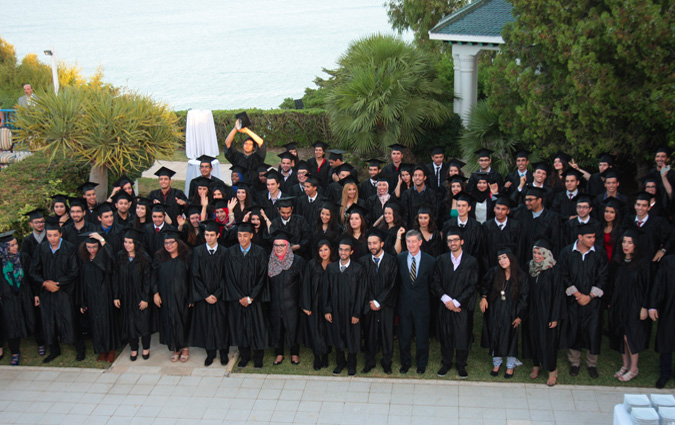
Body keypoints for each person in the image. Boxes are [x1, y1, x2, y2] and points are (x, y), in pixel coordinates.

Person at [29, 216, 82, 363]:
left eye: (55, 235)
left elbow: (74, 271)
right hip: (47, 292)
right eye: (49, 235)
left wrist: (57, 284)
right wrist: (45, 283)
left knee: (70, 320)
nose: (52, 238)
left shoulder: (69, 248)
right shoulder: (41, 248)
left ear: (61, 234)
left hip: (65, 292)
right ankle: (54, 350)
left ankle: (80, 348)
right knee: (49, 322)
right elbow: (33, 271)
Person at [559, 224, 608, 379]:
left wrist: (590, 296)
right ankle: (575, 362)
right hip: (574, 300)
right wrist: (578, 295)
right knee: (574, 329)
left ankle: (592, 363)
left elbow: (604, 276)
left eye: (594, 237)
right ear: (579, 237)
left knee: (593, 331)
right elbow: (563, 274)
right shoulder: (567, 252)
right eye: (589, 237)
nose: (593, 240)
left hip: (593, 302)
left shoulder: (599, 253)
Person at [431, 228, 479, 379]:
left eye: (455, 240)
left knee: (462, 335)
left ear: (462, 241)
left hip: (462, 307)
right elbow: (435, 282)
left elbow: (472, 285)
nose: (453, 243)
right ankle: (446, 363)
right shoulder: (441, 260)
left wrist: (457, 302)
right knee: (446, 335)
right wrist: (446, 300)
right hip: (445, 304)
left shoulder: (471, 261)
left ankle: (461, 365)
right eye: (450, 240)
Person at [608, 229, 650, 382]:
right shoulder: (618, 261)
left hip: (635, 304)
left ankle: (634, 368)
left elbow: (647, 286)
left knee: (630, 337)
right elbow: (613, 283)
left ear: (635, 245)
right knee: (620, 334)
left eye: (630, 242)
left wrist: (645, 306)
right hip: (620, 303)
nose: (626, 245)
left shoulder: (642, 264)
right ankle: (625, 365)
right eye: (624, 242)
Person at [225, 222, 269, 368]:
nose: (242, 238)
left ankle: (258, 357)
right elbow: (228, 277)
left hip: (254, 299)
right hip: (238, 299)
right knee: (240, 327)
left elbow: (262, 277)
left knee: (257, 327)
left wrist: (251, 297)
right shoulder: (231, 253)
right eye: (239, 235)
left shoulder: (260, 252)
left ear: (251, 235)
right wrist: (240, 297)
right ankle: (244, 356)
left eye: (245, 235)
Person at [480, 247, 528, 378]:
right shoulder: (494, 272)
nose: (502, 261)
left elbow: (524, 298)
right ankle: (497, 363)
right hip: (496, 309)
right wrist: (483, 298)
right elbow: (485, 285)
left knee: (511, 336)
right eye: (499, 259)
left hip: (512, 311)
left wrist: (519, 316)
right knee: (496, 334)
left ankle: (510, 366)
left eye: (504, 258)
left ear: (511, 258)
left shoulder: (521, 276)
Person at [523, 237, 564, 386]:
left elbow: (558, 294)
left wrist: (555, 316)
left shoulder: (553, 269)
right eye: (534, 252)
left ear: (546, 254)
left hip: (548, 311)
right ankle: (536, 365)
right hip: (532, 309)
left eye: (540, 253)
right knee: (533, 336)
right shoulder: (530, 266)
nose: (537, 256)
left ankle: (552, 370)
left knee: (548, 340)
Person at [322, 237, 366, 375]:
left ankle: (352, 364)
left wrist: (357, 313)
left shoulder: (358, 269)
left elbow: (361, 292)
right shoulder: (331, 268)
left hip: (351, 310)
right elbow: (326, 291)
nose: (343, 252)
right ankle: (340, 363)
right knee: (337, 336)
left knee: (352, 337)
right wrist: (327, 309)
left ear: (352, 252)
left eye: (346, 250)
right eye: (341, 249)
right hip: (335, 310)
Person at [189, 220, 229, 367]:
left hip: (220, 297)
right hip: (204, 297)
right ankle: (210, 353)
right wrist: (205, 295)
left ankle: (223, 352)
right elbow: (195, 275)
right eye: (206, 235)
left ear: (218, 235)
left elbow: (227, 276)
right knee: (207, 325)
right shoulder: (197, 252)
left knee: (222, 324)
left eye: (212, 235)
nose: (209, 238)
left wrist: (217, 294)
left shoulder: (225, 252)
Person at [359, 228, 399, 374]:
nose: (372, 246)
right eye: (369, 243)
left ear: (382, 243)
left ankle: (387, 361)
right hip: (369, 304)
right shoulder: (363, 262)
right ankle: (370, 361)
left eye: (375, 243)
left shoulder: (391, 261)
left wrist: (379, 302)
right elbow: (362, 284)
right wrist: (371, 300)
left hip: (386, 305)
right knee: (370, 333)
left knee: (387, 334)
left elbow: (393, 285)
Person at [397, 230, 436, 374]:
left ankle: (421, 363)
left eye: (414, 241)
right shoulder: (400, 259)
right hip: (404, 305)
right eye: (408, 241)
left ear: (420, 242)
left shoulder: (430, 261)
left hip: (422, 306)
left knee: (422, 336)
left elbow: (432, 285)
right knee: (404, 336)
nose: (411, 244)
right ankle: (405, 362)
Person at [77, 232, 119, 363]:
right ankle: (101, 350)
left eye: (94, 247)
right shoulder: (84, 261)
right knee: (96, 325)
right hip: (91, 297)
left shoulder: (104, 259)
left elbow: (112, 260)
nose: (92, 249)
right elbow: (82, 283)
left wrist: (102, 239)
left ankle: (111, 350)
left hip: (105, 296)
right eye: (89, 247)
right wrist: (83, 302)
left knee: (108, 323)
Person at [152, 231, 192, 362]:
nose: (168, 245)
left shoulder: (186, 257)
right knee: (169, 321)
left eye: (171, 242)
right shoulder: (160, 257)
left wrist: (191, 296)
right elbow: (154, 277)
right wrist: (156, 293)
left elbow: (192, 278)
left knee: (183, 321)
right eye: (166, 243)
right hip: (166, 296)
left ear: (178, 243)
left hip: (183, 296)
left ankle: (185, 347)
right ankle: (175, 348)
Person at [113, 228, 152, 361]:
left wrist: (145, 298)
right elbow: (116, 278)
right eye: (125, 242)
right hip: (126, 296)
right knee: (129, 323)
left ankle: (146, 348)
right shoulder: (120, 257)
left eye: (130, 242)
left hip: (140, 296)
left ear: (136, 243)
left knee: (144, 324)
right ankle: (134, 348)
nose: (127, 245)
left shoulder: (144, 258)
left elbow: (148, 280)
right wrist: (116, 296)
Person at [268, 230, 305, 366]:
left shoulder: (297, 261)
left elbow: (303, 284)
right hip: (275, 303)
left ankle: (294, 353)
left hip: (292, 303)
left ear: (288, 246)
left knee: (293, 328)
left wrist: (303, 303)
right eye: (276, 245)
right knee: (277, 328)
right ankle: (279, 353)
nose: (278, 248)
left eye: (282, 245)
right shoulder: (270, 261)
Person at [0, 231, 36, 366]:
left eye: (16, 244)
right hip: (8, 298)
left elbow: (32, 276)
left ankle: (41, 343)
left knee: (31, 317)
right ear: (4, 248)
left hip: (25, 294)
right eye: (12, 245)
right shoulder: (1, 262)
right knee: (10, 325)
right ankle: (15, 352)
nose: (16, 247)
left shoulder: (23, 258)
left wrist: (36, 294)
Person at [300, 239, 332, 370]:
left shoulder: (335, 264)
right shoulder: (312, 264)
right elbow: (306, 285)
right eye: (320, 250)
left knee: (327, 330)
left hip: (330, 304)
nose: (323, 253)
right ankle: (317, 357)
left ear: (331, 250)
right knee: (316, 330)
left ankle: (326, 354)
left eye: (326, 249)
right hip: (315, 303)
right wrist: (306, 306)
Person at [649, 253, 675, 388]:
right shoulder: (669, 261)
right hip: (670, 306)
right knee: (667, 339)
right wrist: (653, 305)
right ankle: (665, 373)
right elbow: (659, 283)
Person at [481, 197, 524, 273]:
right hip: (491, 268)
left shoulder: (515, 226)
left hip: (511, 269)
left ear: (508, 211)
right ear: (494, 209)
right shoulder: (486, 226)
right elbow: (484, 251)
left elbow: (519, 249)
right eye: (498, 208)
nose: (500, 212)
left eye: (503, 209)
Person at [224, 115, 266, 184]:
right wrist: (235, 128)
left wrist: (246, 130)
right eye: (245, 143)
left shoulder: (256, 157)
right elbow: (227, 143)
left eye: (250, 144)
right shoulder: (237, 156)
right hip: (239, 189)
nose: (247, 146)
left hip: (254, 187)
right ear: (243, 145)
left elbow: (261, 143)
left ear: (254, 147)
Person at [600, 197, 624, 261]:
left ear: (616, 214)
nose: (608, 214)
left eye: (612, 212)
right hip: (601, 261)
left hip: (614, 262)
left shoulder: (620, 230)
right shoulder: (600, 228)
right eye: (606, 211)